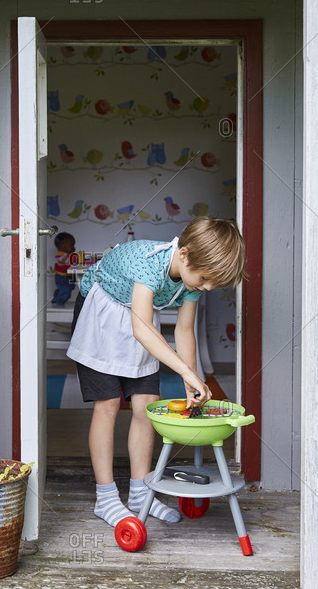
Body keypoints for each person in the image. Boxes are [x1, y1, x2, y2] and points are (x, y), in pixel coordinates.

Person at [67, 217, 245, 527]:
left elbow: (185, 330)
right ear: (185, 254)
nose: (205, 287)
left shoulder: (192, 277)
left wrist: (191, 380)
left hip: (140, 322)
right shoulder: (148, 262)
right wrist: (186, 373)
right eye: (204, 280)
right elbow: (142, 328)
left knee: (147, 402)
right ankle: (106, 498)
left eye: (212, 284)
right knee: (108, 404)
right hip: (102, 312)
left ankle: (139, 493)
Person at [52, 232, 76, 306]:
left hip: (68, 275)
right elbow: (68, 261)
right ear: (61, 247)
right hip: (62, 277)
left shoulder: (67, 254)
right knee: (65, 290)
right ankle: (60, 302)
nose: (73, 248)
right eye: (71, 246)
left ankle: (56, 298)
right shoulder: (60, 256)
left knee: (69, 287)